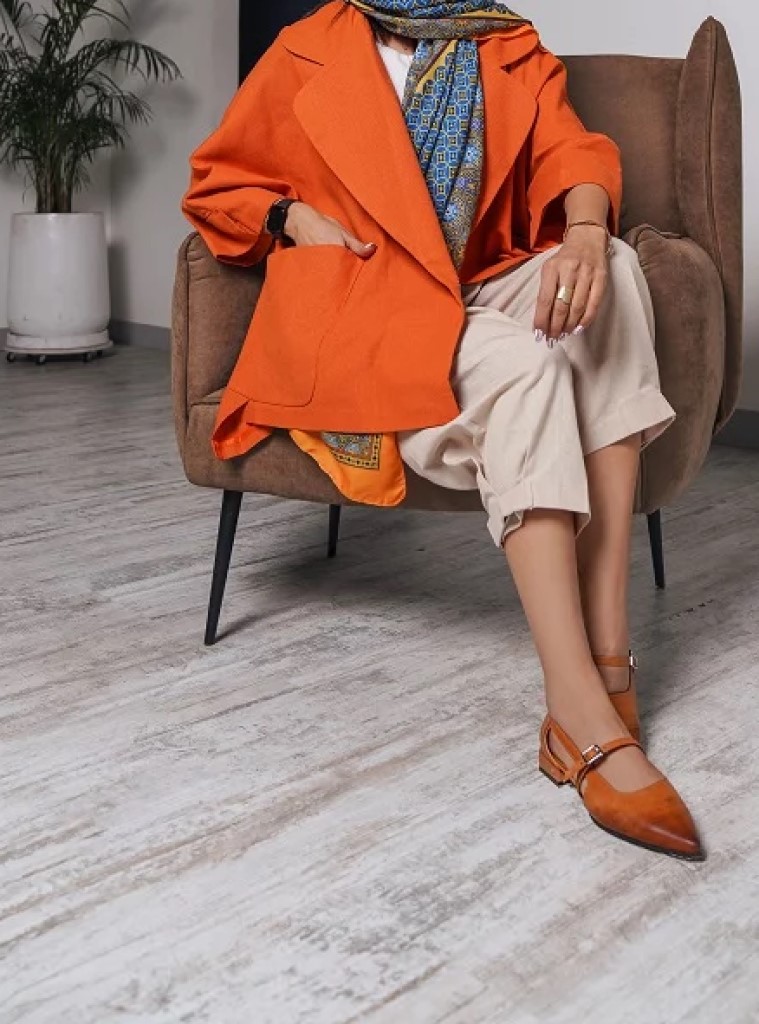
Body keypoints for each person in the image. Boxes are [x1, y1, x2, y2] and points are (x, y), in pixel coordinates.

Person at [182, 0, 704, 860]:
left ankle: (610, 654)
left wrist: (581, 231)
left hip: (479, 279)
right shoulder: (305, 50)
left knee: (611, 266)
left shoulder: (504, 42)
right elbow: (219, 182)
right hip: (370, 304)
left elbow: (572, 151)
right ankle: (576, 706)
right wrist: (291, 218)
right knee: (526, 369)